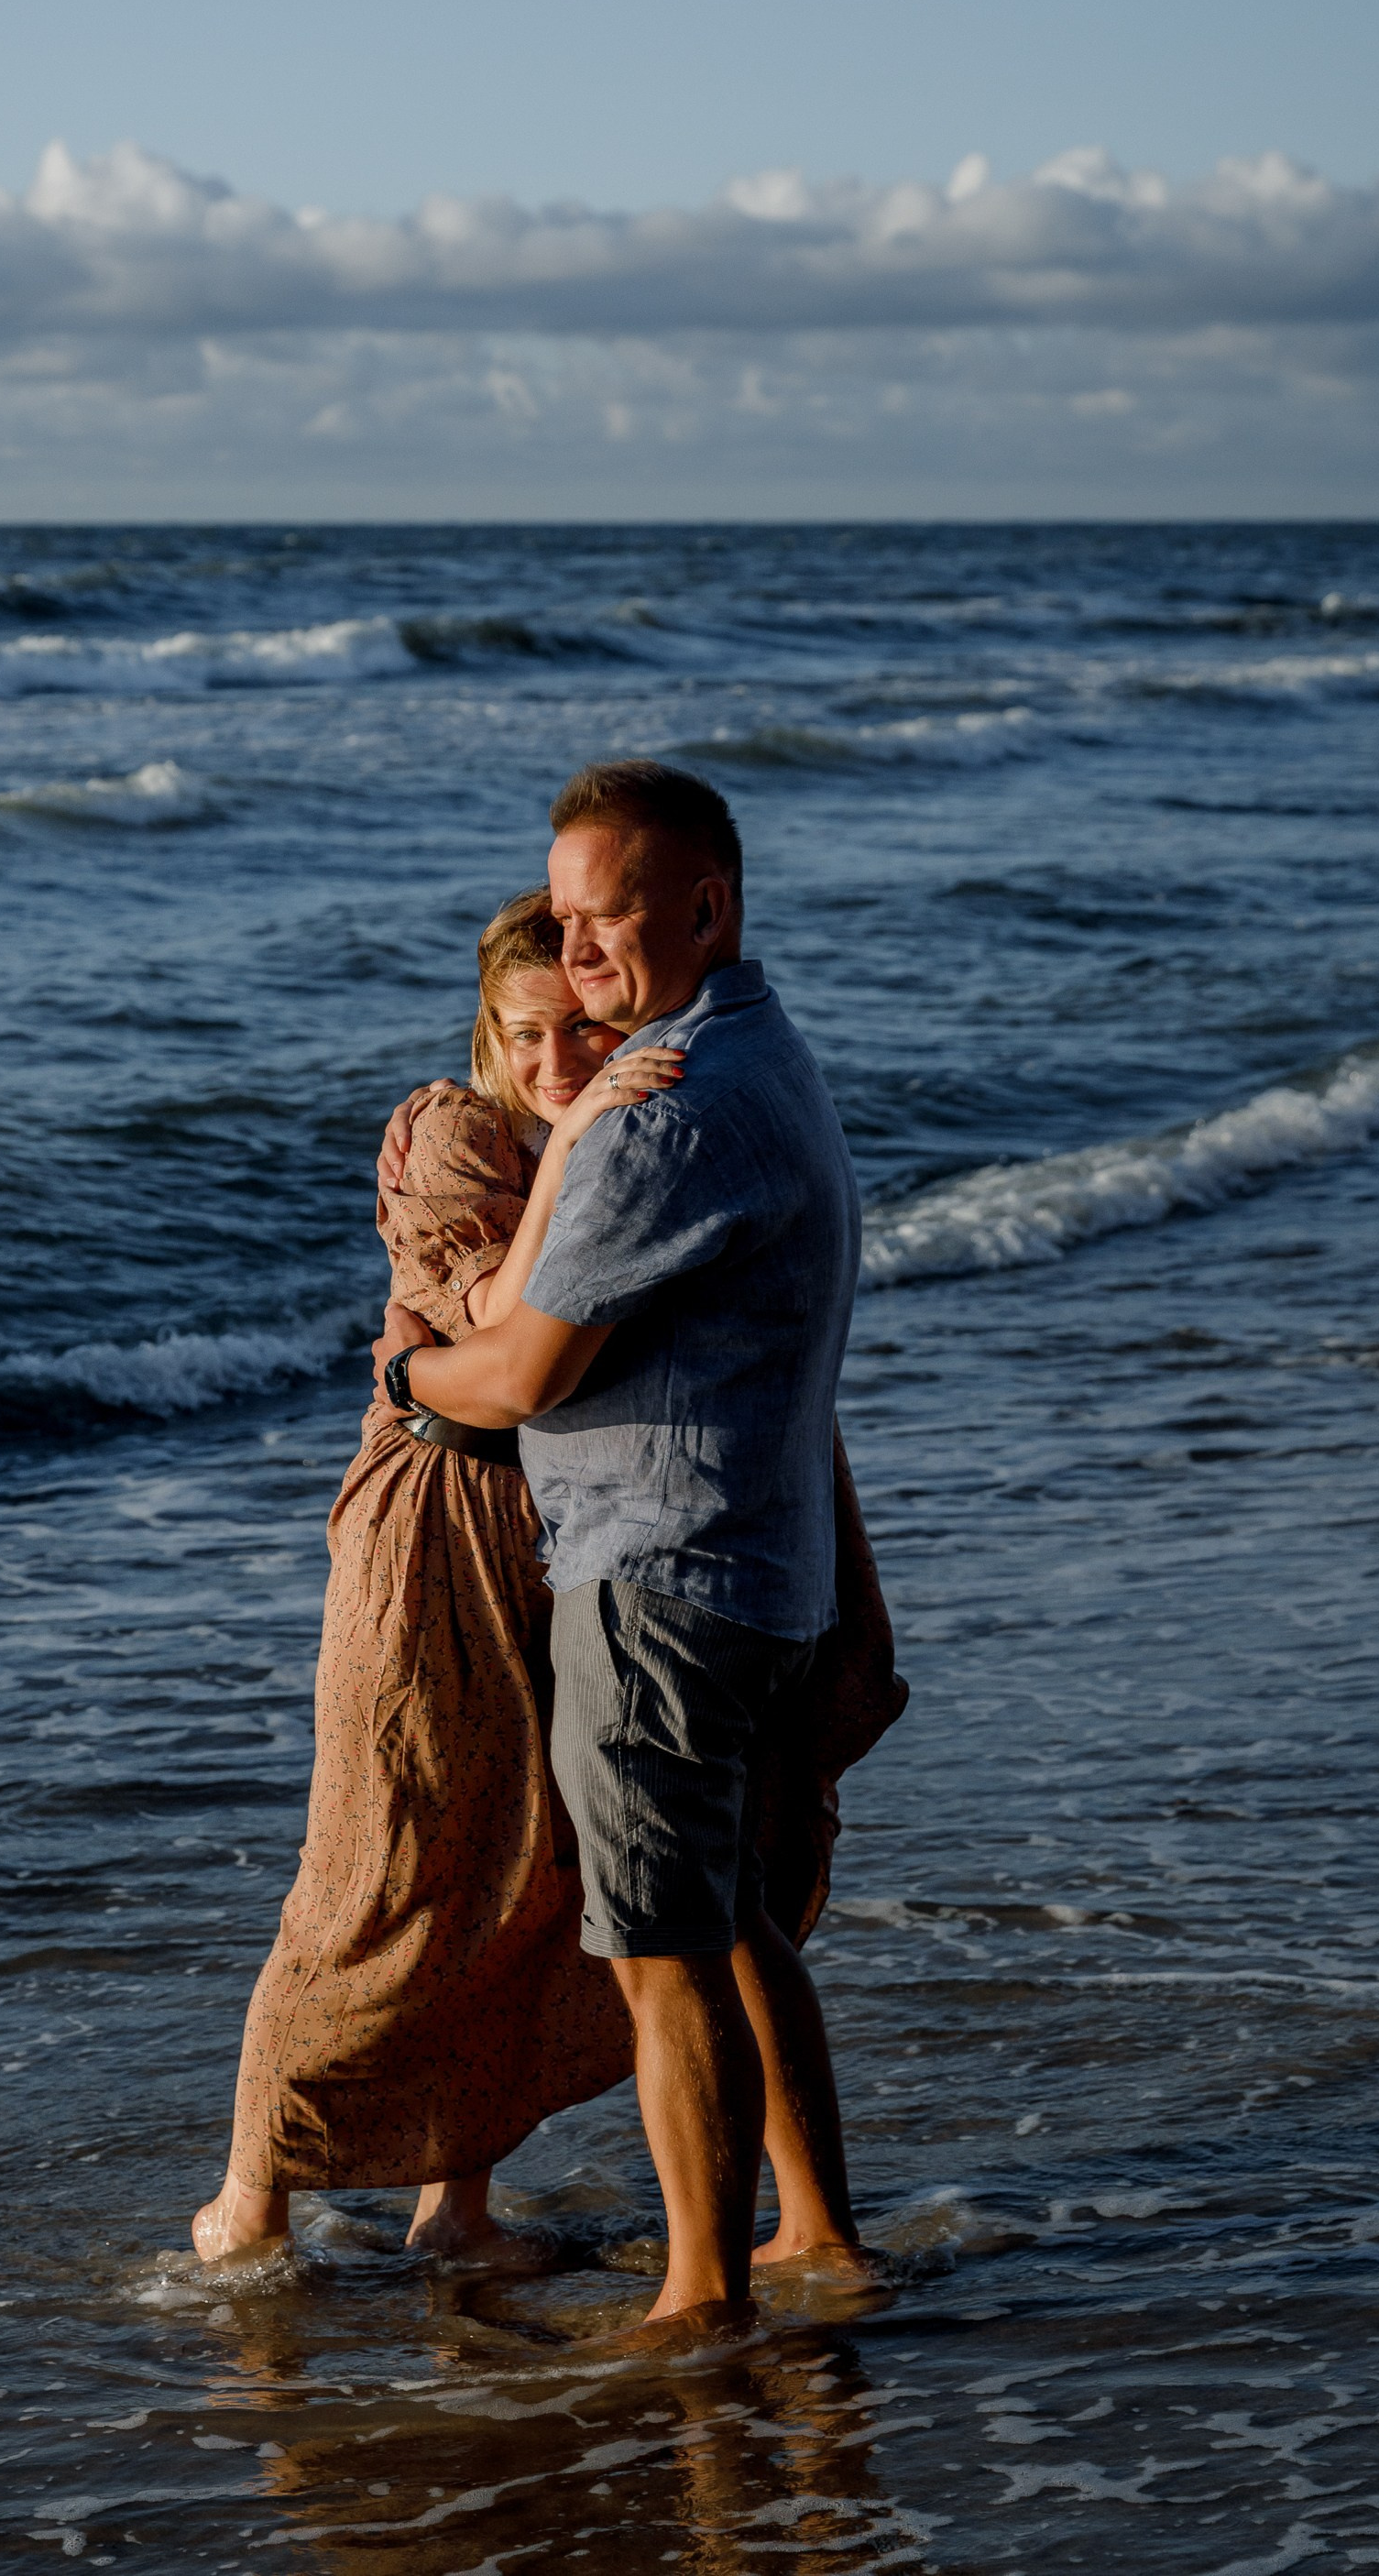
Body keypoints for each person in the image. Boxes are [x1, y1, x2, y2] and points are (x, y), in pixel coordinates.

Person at [376, 758, 880, 2324]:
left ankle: (699, 2301)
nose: (579, 952)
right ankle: (813, 2239)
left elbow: (517, 1374)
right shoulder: (764, 1053)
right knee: (729, 1921)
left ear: (708, 906)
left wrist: (402, 1373)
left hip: (659, 1574)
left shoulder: (658, 1122)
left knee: (663, 1954)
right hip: (758, 1559)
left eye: (611, 918)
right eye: (568, 917)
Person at [192, 893, 680, 2266]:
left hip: (551, 1521)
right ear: (487, 1026)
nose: (556, 1061)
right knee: (375, 1861)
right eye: (528, 1033)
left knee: (517, 1865)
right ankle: (248, 2204)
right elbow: (490, 1319)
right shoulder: (451, 1130)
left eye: (585, 1032)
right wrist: (581, 1132)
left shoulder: (610, 1124)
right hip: (428, 1516)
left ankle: (452, 2211)